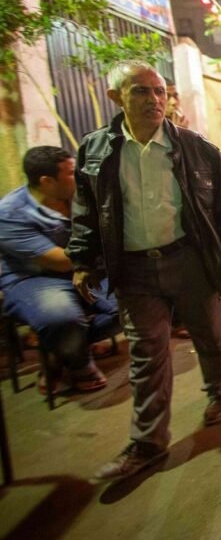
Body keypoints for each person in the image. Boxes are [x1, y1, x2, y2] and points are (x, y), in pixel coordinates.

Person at [68, 60, 221, 482]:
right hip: (133, 269)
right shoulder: (94, 150)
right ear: (116, 98)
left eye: (159, 91)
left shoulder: (195, 147)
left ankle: (220, 390)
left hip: (191, 260)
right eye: (140, 92)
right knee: (147, 357)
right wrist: (82, 260)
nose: (154, 100)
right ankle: (148, 443)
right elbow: (86, 211)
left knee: (213, 334)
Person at [0, 147, 115, 393]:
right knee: (61, 318)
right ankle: (78, 360)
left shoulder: (80, 195)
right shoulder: (9, 214)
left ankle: (62, 349)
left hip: (87, 268)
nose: (80, 176)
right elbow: (62, 261)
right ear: (47, 181)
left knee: (138, 302)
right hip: (35, 278)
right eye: (72, 173)